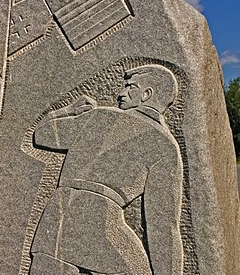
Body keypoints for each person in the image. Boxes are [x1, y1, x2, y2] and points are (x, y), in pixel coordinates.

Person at [30, 64, 183, 275]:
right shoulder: (166, 146)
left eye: (130, 87)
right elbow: (162, 225)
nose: (121, 93)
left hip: (56, 219)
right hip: (100, 223)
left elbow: (42, 134)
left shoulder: (98, 116)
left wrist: (67, 111)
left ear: (147, 94)